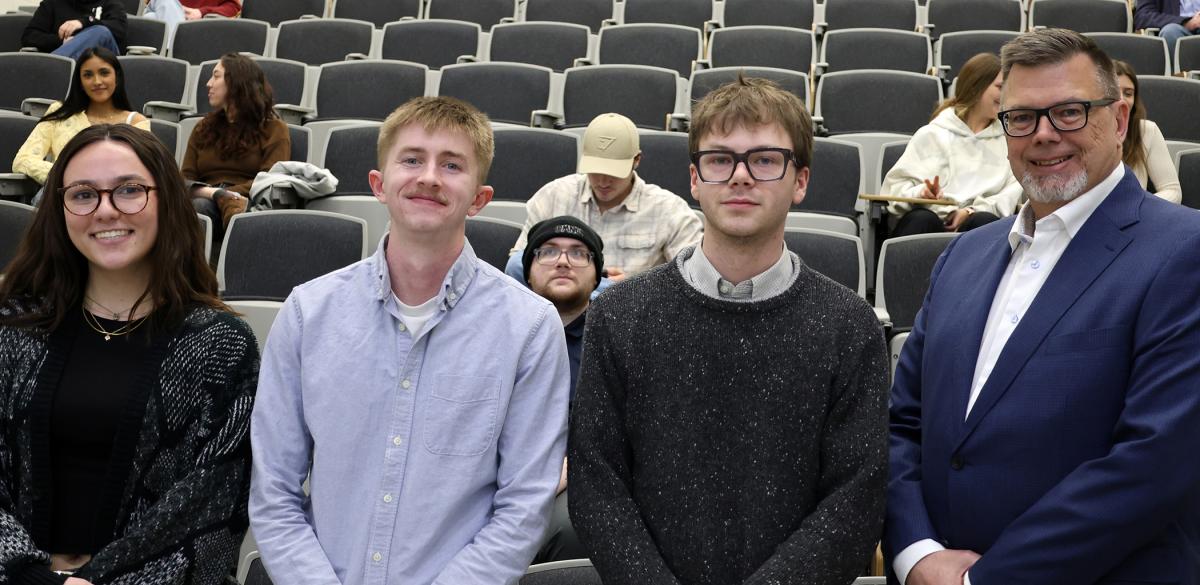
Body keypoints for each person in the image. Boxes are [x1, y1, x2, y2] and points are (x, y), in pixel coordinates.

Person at [885, 28, 1200, 585]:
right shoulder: (962, 256)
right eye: (1023, 118)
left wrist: (984, 581)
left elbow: (1155, 462)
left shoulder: (1183, 250)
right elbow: (903, 425)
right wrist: (915, 554)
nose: (1045, 135)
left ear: (1120, 121)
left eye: (1070, 112)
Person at [569, 75, 889, 585]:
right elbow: (596, 479)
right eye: (720, 159)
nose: (740, 176)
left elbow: (856, 497)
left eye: (764, 159)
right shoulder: (619, 316)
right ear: (695, 179)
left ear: (800, 180)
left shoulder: (850, 327)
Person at [250, 96, 570, 585]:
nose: (429, 177)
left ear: (480, 198)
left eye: (452, 165)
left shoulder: (529, 326)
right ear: (379, 184)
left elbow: (523, 506)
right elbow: (274, 494)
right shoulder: (307, 313)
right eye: (412, 159)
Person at [0, 124, 259, 584]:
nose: (105, 210)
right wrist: (33, 577)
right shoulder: (13, 326)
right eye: (83, 195)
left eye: (129, 190)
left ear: (165, 201)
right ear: (58, 209)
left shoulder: (220, 344)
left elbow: (210, 508)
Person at [504, 113, 702, 287]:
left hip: (630, 317)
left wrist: (636, 288)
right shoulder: (553, 196)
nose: (603, 181)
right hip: (557, 310)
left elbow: (695, 278)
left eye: (614, 172)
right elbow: (517, 267)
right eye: (596, 170)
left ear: (637, 160)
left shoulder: (670, 210)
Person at [522, 215, 603, 564]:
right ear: (528, 272)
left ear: (597, 275)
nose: (563, 261)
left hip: (575, 479)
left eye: (579, 253)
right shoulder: (498, 331)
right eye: (548, 251)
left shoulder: (615, 340)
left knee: (575, 531)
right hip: (502, 473)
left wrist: (567, 468)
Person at [881, 53, 1022, 237]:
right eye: (999, 87)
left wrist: (969, 211)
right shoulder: (932, 134)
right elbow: (895, 192)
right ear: (977, 86)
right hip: (932, 221)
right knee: (921, 219)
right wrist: (922, 193)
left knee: (983, 222)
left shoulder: (1009, 141)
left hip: (976, 222)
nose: (1006, 96)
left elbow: (1010, 195)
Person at [13, 47, 149, 192]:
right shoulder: (60, 112)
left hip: (115, 200)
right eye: (88, 75)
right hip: (60, 196)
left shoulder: (136, 122)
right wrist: (68, 176)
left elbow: (141, 173)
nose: (97, 81)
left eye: (104, 73)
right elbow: (23, 160)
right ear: (80, 82)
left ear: (117, 78)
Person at [182, 53, 289, 230]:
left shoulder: (274, 129)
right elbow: (185, 179)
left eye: (216, 76)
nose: (208, 83)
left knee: (199, 208)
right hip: (205, 198)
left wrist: (227, 195)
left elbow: (269, 181)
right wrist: (215, 194)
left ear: (236, 83)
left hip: (246, 204)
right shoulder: (203, 127)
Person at [1114, 60, 1182, 204]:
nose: (1122, 99)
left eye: (1128, 93)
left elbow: (1173, 191)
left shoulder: (1146, 130)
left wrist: (1140, 205)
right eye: (1114, 92)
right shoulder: (1084, 133)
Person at [21, 0, 125, 59]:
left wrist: (84, 22)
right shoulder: (52, 3)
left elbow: (119, 29)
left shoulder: (110, 2)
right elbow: (29, 36)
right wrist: (62, 42)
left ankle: (49, 70)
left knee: (101, 32)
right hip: (70, 70)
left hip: (101, 65)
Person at [1134, 0, 1199, 64]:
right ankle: (1186, 72)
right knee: (1170, 32)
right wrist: (1187, 23)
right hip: (1181, 30)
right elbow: (1142, 16)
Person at [142, 0, 240, 26]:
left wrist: (201, 12)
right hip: (163, 8)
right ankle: (172, 50)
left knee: (150, 18)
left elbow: (233, 7)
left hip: (194, 24)